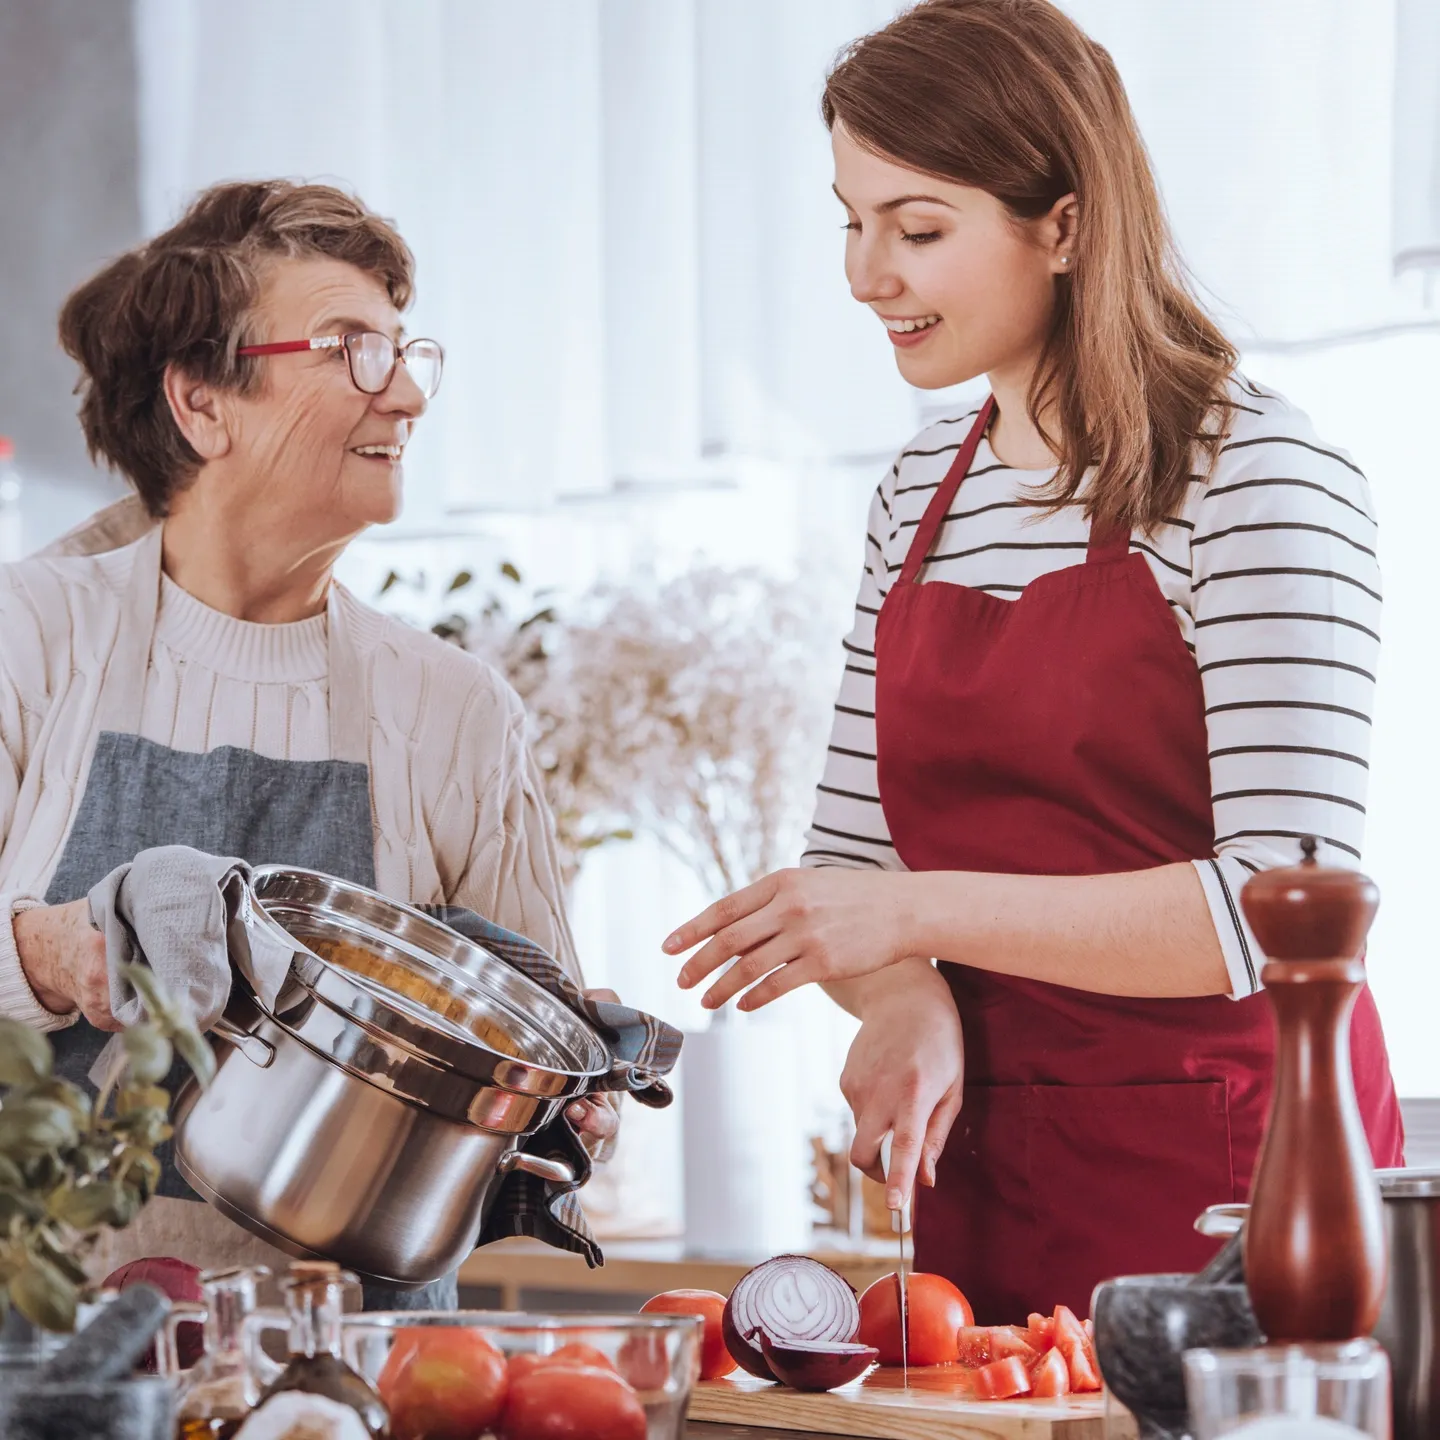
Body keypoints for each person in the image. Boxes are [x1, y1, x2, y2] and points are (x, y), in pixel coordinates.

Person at [664, 0, 1403, 1320]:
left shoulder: (1257, 476)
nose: (864, 274)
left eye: (920, 227)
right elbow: (853, 869)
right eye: (852, 217)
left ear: (1062, 225)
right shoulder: (917, 496)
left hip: (1235, 1191)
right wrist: (900, 1001)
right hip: (990, 1185)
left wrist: (918, 919)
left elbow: (1281, 908)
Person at [0, 180, 616, 1308]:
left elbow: (539, 1047)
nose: (410, 394)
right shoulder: (31, 640)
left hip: (354, 1375)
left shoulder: (453, 708)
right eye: (353, 350)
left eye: (405, 350)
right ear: (202, 401)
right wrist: (46, 953)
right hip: (43, 1354)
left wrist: (566, 1104)